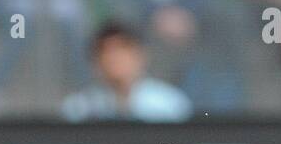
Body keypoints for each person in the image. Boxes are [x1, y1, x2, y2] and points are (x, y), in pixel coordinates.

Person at [61, 23, 192, 122]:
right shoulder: (78, 109)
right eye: (105, 51)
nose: (114, 57)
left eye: (123, 49)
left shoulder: (170, 105)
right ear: (94, 62)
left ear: (141, 55)